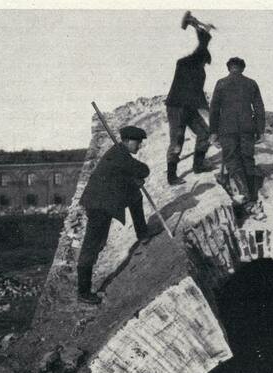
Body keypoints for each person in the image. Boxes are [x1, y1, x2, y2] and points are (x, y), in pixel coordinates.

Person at [76, 126, 157, 305]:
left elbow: (127, 175)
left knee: (135, 196)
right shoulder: (120, 156)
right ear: (127, 141)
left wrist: (134, 180)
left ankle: (142, 233)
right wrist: (136, 177)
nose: (140, 146)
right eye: (138, 142)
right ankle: (83, 292)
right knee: (93, 245)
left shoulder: (119, 153)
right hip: (100, 205)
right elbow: (143, 170)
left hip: (103, 199)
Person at [208, 57, 266, 215]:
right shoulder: (251, 83)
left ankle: (245, 197)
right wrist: (261, 130)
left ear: (229, 68)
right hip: (248, 128)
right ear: (242, 68)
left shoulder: (221, 83)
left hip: (227, 129)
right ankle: (252, 196)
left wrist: (213, 132)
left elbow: (214, 109)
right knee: (248, 159)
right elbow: (259, 108)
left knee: (232, 160)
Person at [165, 26, 214, 185]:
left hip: (189, 108)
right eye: (204, 62)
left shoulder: (200, 72)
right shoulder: (184, 64)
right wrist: (203, 35)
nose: (204, 65)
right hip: (176, 107)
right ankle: (172, 176)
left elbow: (199, 95)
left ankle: (198, 165)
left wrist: (209, 112)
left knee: (204, 133)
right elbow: (200, 48)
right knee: (177, 140)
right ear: (200, 58)